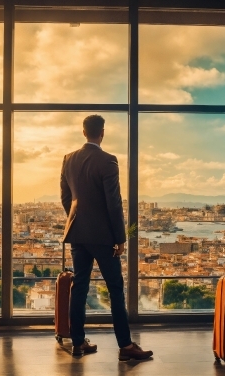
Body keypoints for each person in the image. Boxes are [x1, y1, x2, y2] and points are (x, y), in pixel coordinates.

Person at [60, 114, 153, 361]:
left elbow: (66, 198)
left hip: (77, 233)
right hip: (103, 236)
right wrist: (120, 237)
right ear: (102, 132)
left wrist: (78, 219)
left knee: (79, 287)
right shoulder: (108, 161)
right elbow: (113, 203)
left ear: (83, 132)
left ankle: (78, 343)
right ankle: (125, 346)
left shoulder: (68, 159)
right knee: (115, 290)